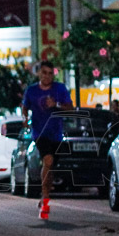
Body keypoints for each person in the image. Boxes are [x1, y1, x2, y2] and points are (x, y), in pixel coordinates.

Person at [21, 60, 74, 220]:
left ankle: (45, 195)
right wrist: (25, 118)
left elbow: (70, 108)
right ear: (39, 73)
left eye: (50, 73)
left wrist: (56, 104)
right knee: (48, 161)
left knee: (50, 167)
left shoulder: (60, 89)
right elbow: (25, 107)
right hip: (39, 133)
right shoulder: (31, 90)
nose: (47, 76)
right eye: (44, 73)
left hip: (56, 133)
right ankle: (45, 200)